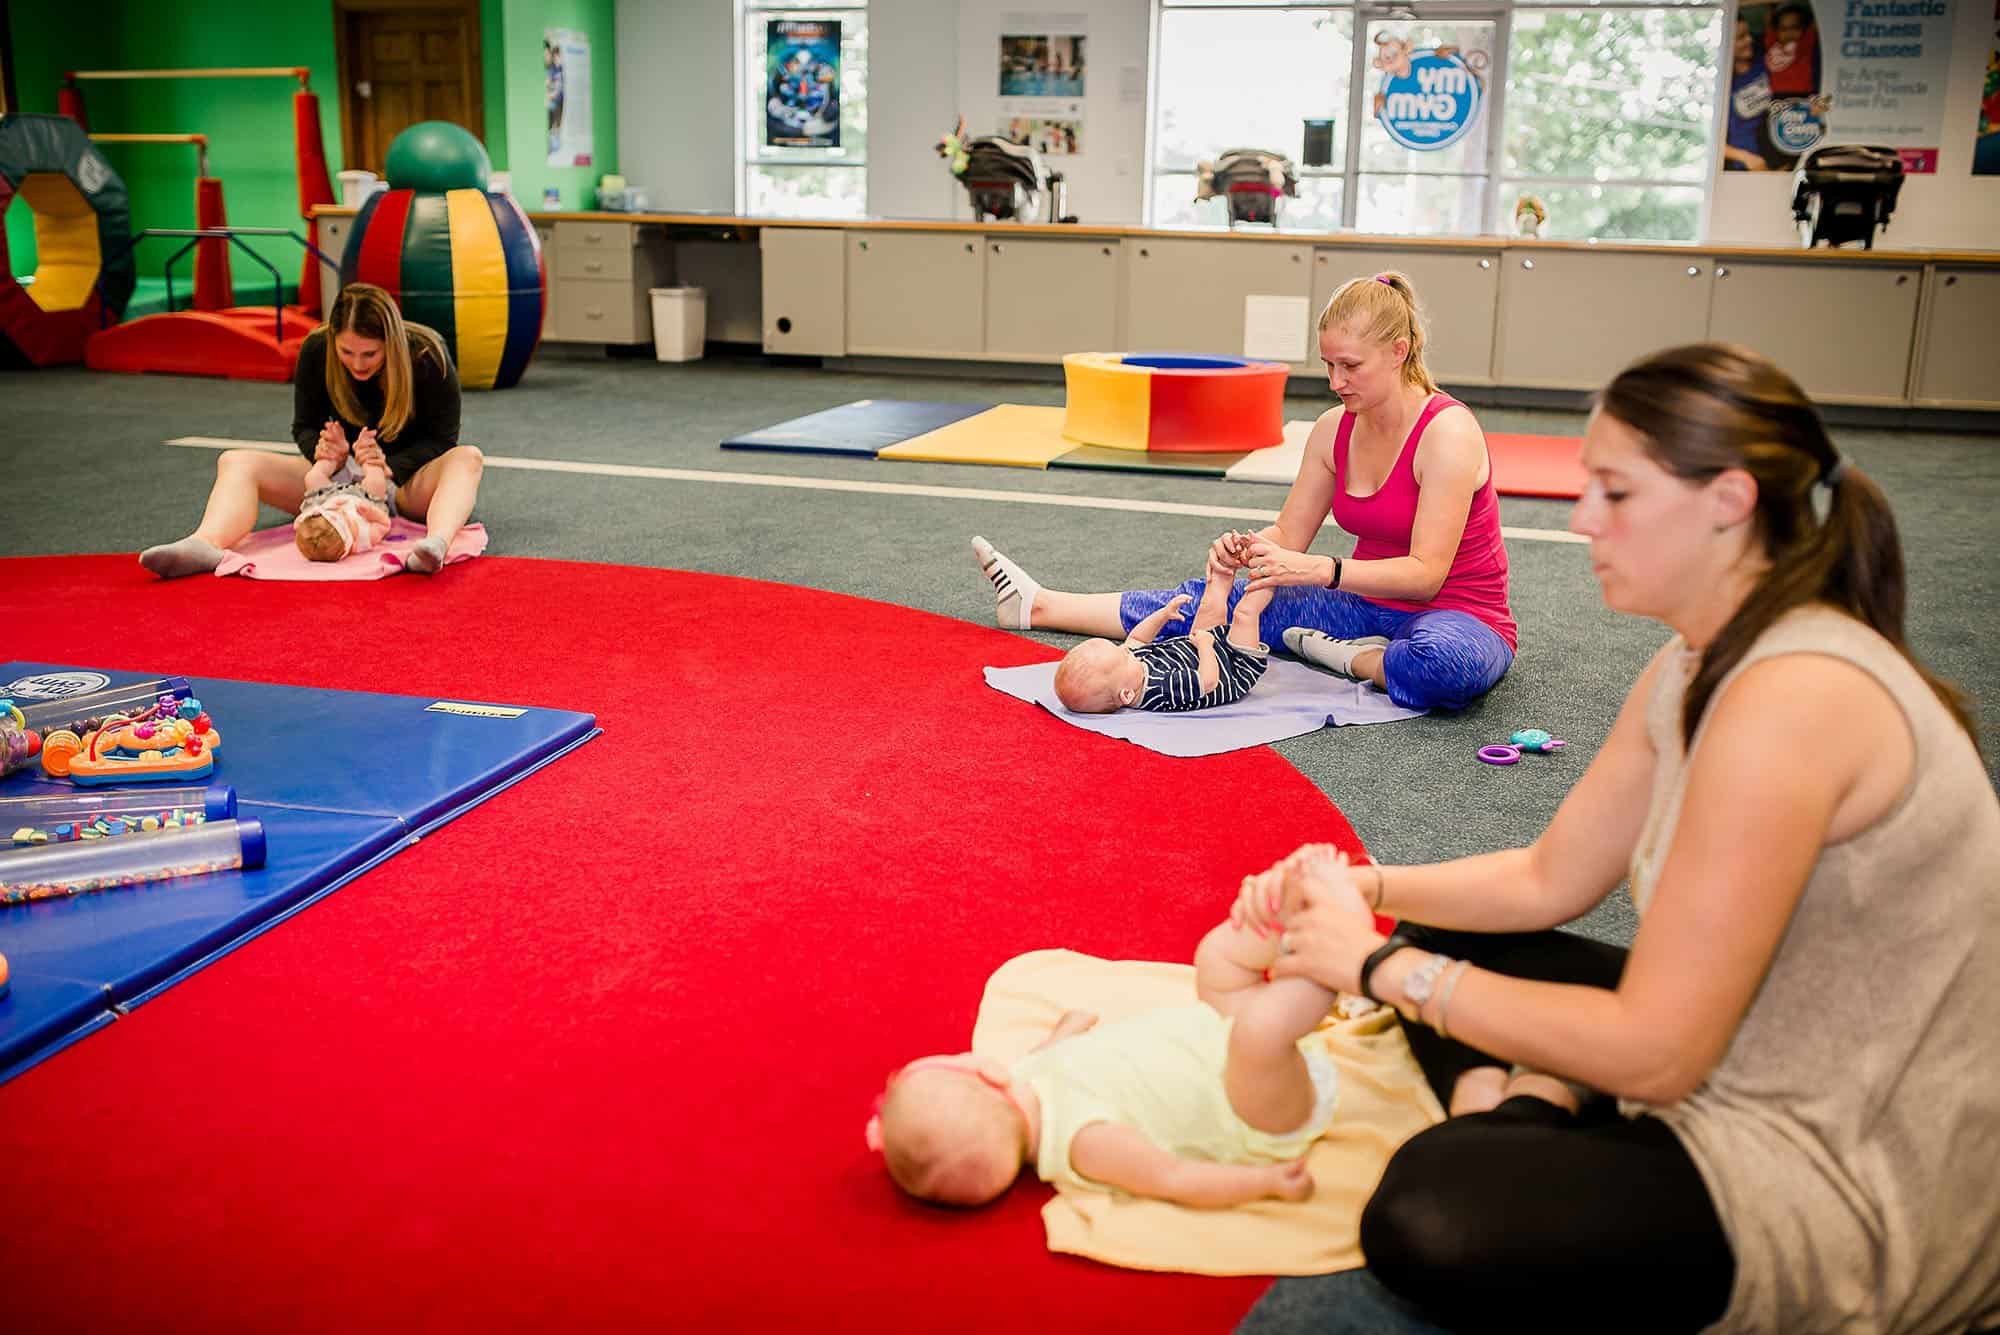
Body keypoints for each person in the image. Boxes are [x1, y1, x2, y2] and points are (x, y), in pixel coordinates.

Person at [1239, 342, 2000, 1335]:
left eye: (1612, 493)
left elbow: (1656, 1054)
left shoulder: (1793, 698)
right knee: (1443, 937)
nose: (1578, 518)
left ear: (1726, 502)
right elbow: (1546, 877)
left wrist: (1376, 968)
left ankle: (1524, 1108)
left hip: (1846, 1163)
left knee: (1429, 1206)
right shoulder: (1696, 659)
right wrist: (1367, 885)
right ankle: (1538, 1096)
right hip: (1745, 1041)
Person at [971, 272, 1517, 713]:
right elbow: (1289, 534)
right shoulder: (1334, 428)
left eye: (1350, 366)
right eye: (1328, 365)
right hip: (1365, 601)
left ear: (1399, 352)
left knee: (1444, 667)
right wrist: (1249, 549)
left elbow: (1426, 576)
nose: (1336, 380)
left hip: (1457, 614)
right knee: (1224, 602)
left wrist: (1320, 570)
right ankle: (1039, 605)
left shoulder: (1448, 432)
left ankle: (1347, 660)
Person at [868, 850, 1361, 1210]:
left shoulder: (1029, 1079)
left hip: (1216, 1040)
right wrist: (1265, 1183)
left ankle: (1286, 924)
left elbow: (1051, 1052)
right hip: (1257, 1110)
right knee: (1262, 1033)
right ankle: (1336, 950)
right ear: (989, 1078)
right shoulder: (1084, 1143)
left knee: (1215, 962)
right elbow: (1174, 1177)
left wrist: (1070, 1025)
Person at [140, 283, 483, 579]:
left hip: (405, 484)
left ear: (391, 344)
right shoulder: (317, 349)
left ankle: (436, 544)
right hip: (334, 484)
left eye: (370, 354)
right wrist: (326, 454)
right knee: (237, 461)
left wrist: (386, 467)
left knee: (468, 458)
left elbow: (442, 439)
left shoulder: (427, 353)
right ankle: (205, 542)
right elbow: (303, 425)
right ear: (333, 339)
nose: (358, 364)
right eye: (347, 352)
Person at [1051, 543, 1273, 713]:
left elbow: (1137, 637)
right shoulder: (1160, 689)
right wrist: (1205, 646)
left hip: (1200, 647)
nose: (1126, 651)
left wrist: (1163, 615)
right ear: (1127, 695)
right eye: (1124, 658)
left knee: (1209, 602)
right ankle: (1272, 572)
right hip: (1234, 669)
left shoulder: (1129, 669)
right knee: (1244, 614)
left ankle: (1227, 565)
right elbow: (1207, 681)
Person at [1723, 17, 1776, 172]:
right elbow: (1708, 140)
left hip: (1784, 153)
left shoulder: (1766, 59)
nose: (1749, 40)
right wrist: (1746, 158)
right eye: (1741, 37)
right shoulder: (1723, 86)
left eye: (1749, 34)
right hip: (1750, 167)